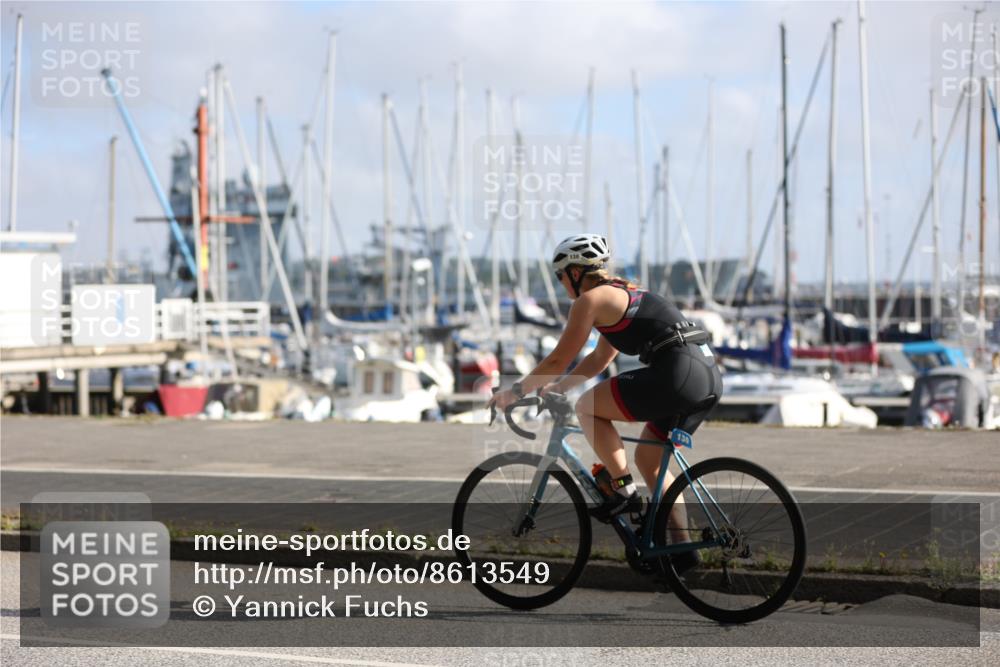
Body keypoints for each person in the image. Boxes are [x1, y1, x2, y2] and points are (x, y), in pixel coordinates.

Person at [489, 234, 723, 555]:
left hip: (679, 373)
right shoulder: (622, 294)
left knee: (589, 406)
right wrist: (558, 387)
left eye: (560, 277)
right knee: (649, 459)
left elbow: (559, 358)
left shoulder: (591, 300)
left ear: (574, 272)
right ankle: (680, 549)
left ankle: (622, 492)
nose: (561, 284)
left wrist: (515, 392)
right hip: (706, 375)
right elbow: (599, 359)